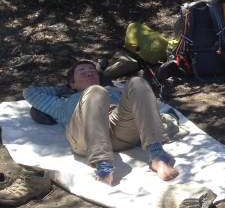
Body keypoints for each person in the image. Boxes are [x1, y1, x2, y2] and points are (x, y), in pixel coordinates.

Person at [23, 61, 179, 185]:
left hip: (119, 129)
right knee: (95, 91)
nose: (89, 73)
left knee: (138, 82)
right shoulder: (62, 103)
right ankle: (103, 165)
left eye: (92, 71)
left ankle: (157, 155)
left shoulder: (113, 91)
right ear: (72, 84)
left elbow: (141, 100)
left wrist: (116, 90)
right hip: (85, 136)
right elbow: (29, 92)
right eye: (82, 72)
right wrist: (64, 89)